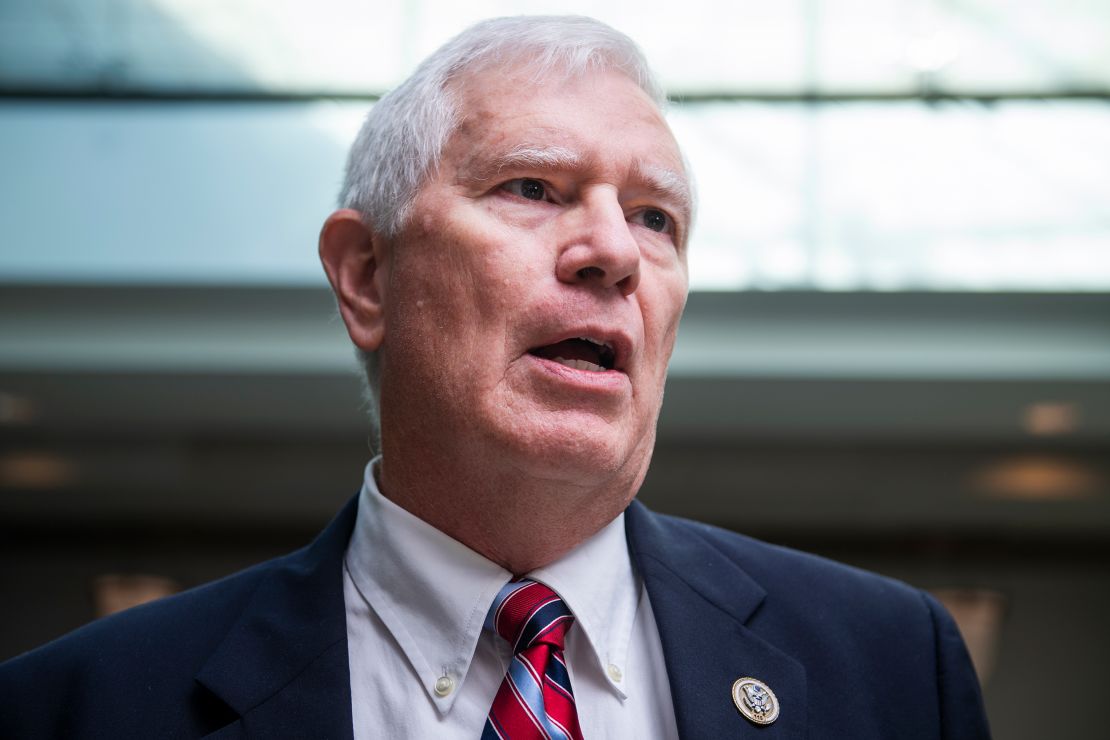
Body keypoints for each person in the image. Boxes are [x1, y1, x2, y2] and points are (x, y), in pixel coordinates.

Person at [0, 15, 990, 739]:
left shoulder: (892, 666)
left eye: (656, 216)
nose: (615, 252)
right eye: (533, 187)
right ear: (367, 274)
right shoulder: (77, 708)